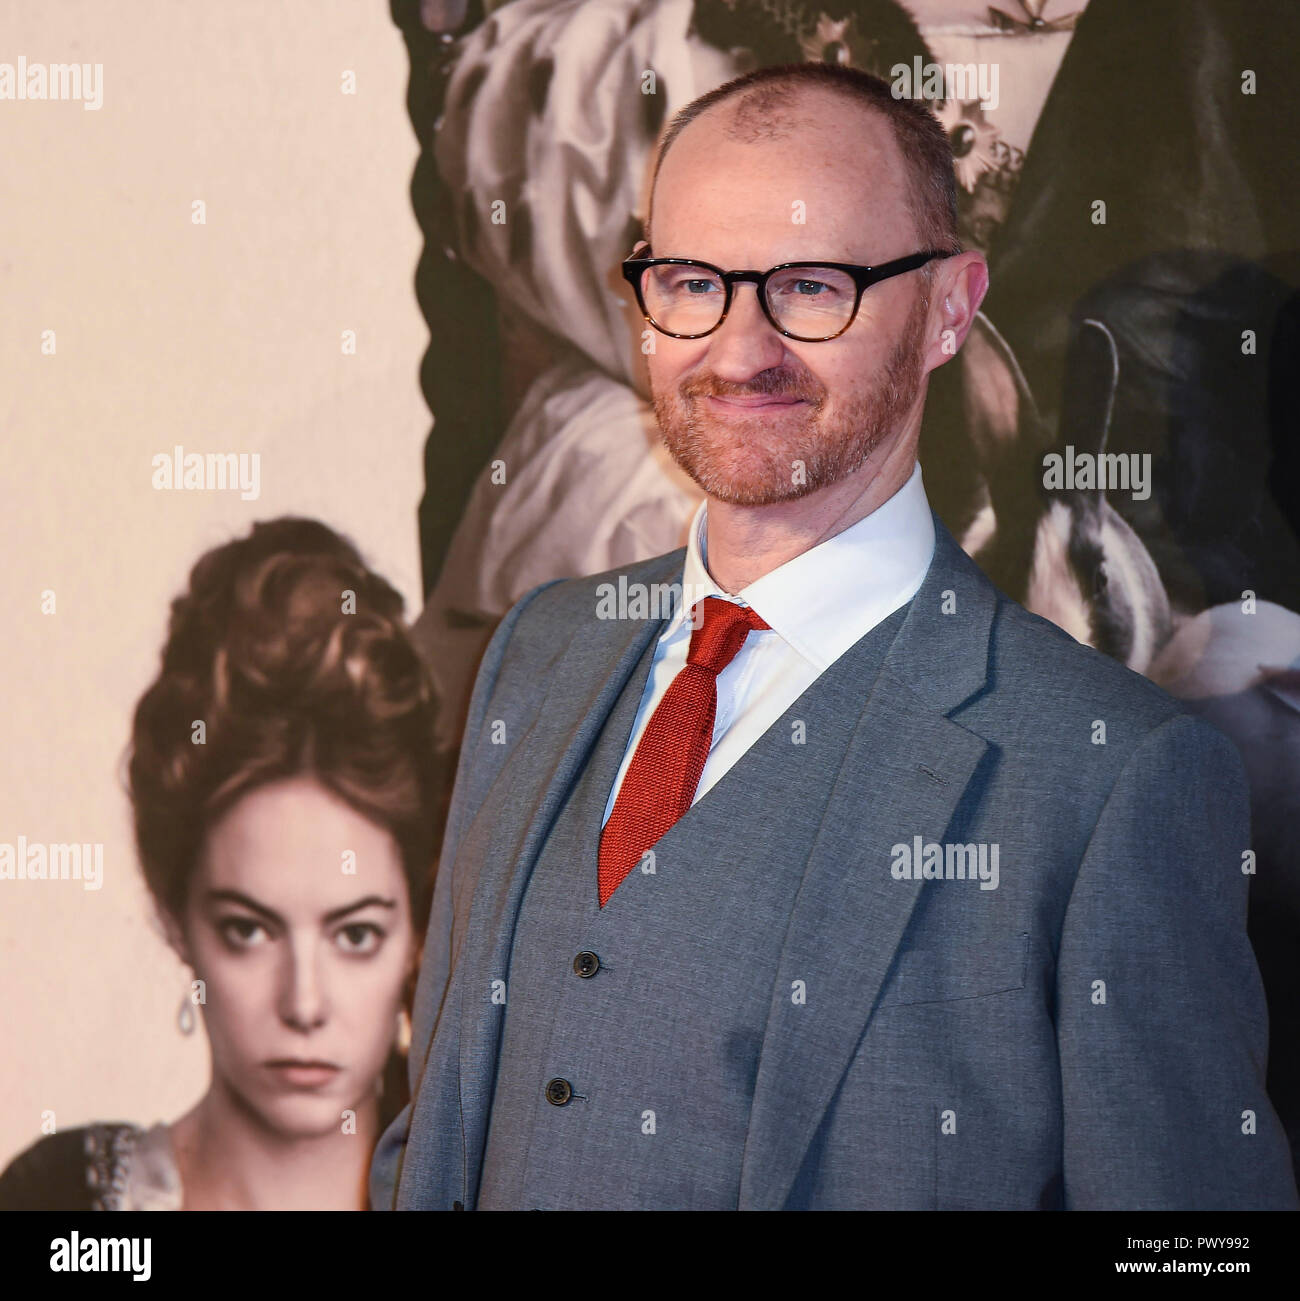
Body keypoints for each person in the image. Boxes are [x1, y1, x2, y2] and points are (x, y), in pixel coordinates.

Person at [370, 62, 1298, 1209]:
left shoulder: (1116, 777)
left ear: (950, 308)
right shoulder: (538, 653)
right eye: (691, 281)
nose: (738, 347)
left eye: (811, 287)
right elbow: (437, 1133)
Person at [0, 518, 438, 1210]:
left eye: (355, 935)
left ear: (416, 934)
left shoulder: (498, 1190)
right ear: (174, 913)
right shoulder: (55, 1204)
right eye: (248, 929)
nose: (303, 1004)